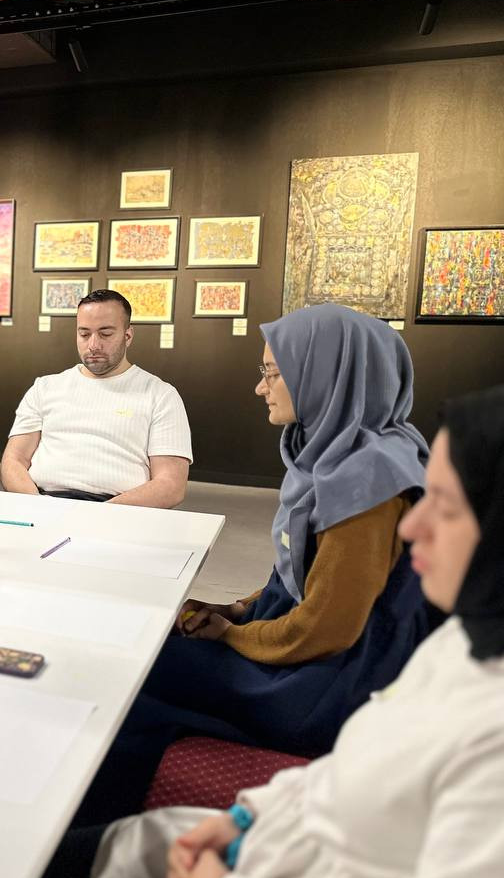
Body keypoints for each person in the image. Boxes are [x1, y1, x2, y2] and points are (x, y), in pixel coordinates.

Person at [79, 381, 504, 878]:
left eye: (445, 505)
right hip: (274, 845)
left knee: (142, 675)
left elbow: (324, 627)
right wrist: (249, 816)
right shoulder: (462, 646)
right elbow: (352, 765)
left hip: (276, 841)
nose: (411, 528)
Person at [68, 303, 434, 838]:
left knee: (131, 670)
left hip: (323, 682)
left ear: (323, 375)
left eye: (272, 373)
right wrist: (239, 608)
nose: (260, 388)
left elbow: (327, 628)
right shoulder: (343, 453)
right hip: (313, 656)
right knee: (150, 652)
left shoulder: (366, 481)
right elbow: (308, 576)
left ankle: (91, 835)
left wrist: (232, 635)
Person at [1, 289, 191, 507]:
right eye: (84, 334)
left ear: (128, 336)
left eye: (105, 334)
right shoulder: (45, 387)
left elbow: (170, 484)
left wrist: (100, 515)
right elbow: (14, 460)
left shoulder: (161, 395)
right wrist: (37, 506)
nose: (93, 345)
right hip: (43, 502)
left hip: (119, 508)